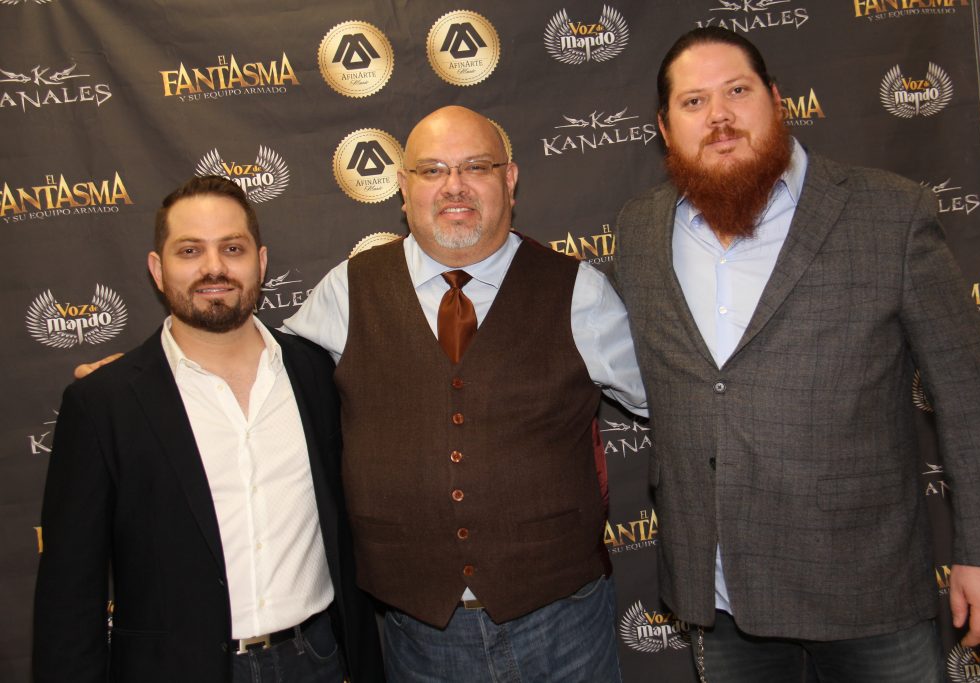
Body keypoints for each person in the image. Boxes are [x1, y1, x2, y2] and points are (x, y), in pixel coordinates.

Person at [613, 26, 980, 683]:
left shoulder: (890, 213)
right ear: (665, 128)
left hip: (867, 589)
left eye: (737, 92)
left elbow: (974, 396)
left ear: (777, 100)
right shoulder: (640, 228)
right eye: (693, 103)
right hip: (718, 595)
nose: (717, 116)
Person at [282, 105, 646, 682]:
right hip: (418, 634)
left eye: (476, 166)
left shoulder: (577, 291)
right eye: (431, 171)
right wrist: (152, 374)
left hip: (563, 622)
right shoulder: (348, 290)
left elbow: (676, 394)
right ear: (403, 189)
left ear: (510, 178)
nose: (454, 186)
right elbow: (262, 380)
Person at [32, 176, 384, 683]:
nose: (214, 268)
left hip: (319, 661)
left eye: (232, 248)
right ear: (158, 269)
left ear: (261, 263)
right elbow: (69, 591)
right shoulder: (102, 404)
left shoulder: (318, 374)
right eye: (190, 250)